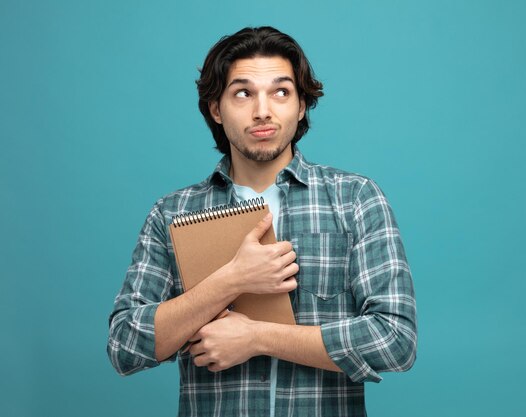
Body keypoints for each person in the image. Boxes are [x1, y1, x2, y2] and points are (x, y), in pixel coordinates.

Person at [108, 26, 417, 417]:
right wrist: (231, 280)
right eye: (243, 93)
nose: (262, 111)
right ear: (216, 109)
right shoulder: (172, 214)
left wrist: (258, 337)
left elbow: (396, 340)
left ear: (301, 105)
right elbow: (124, 346)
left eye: (281, 92)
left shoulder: (354, 199)